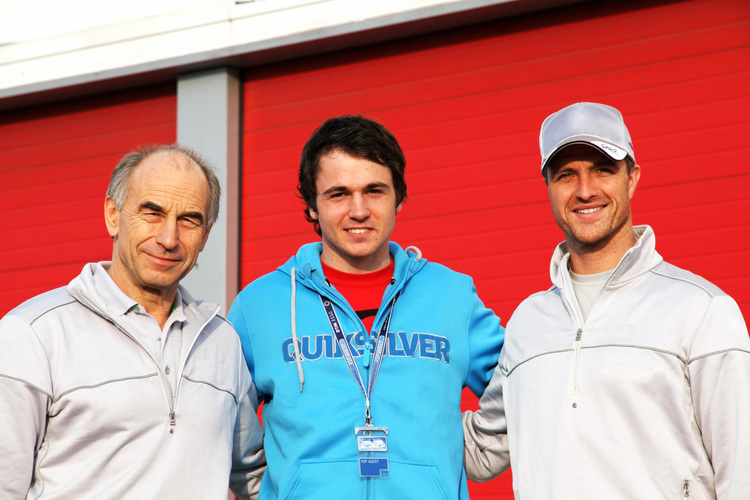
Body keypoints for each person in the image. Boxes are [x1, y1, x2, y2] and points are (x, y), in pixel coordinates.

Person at [462, 102, 750, 498]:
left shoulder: (702, 310)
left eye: (602, 169)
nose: (585, 190)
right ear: (548, 186)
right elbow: (481, 451)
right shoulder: (528, 323)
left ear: (632, 179)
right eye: (567, 175)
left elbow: (742, 471)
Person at [228, 115, 503, 499]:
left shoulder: (451, 294)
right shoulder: (259, 306)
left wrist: (471, 453)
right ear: (311, 206)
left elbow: (525, 384)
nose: (359, 211)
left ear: (399, 198)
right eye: (338, 194)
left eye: (374, 191)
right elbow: (225, 426)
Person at [0, 144, 266, 499]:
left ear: (205, 234)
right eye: (152, 212)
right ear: (113, 214)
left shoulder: (221, 341)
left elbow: (253, 477)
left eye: (189, 219)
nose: (168, 238)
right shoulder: (34, 334)